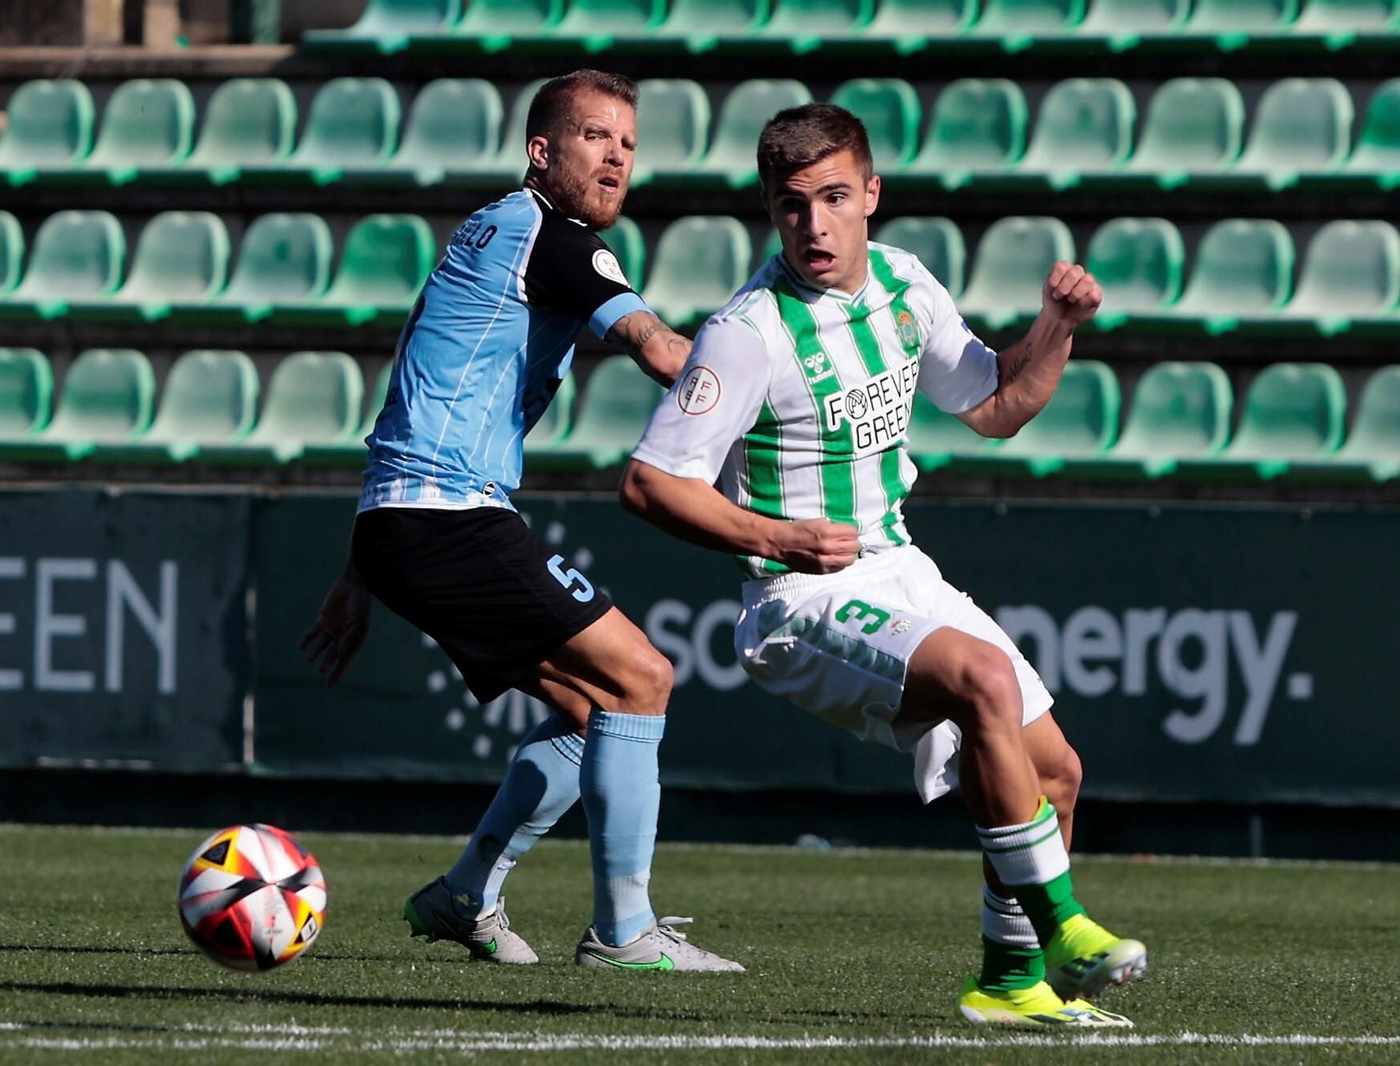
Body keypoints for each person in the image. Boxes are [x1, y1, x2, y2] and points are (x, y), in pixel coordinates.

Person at [619, 103, 1148, 1022]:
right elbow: (652, 484)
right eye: (792, 205)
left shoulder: (904, 283)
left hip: (898, 569)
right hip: (797, 600)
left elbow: (995, 404)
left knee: (1055, 769)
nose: (814, 225)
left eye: (832, 197)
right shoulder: (748, 333)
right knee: (982, 679)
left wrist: (1056, 325)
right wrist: (773, 536)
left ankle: (1010, 983)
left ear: (870, 194)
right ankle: (1062, 924)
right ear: (770, 210)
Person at [298, 70, 743, 972]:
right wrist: (776, 389)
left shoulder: (494, 236)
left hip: (409, 519)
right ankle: (623, 932)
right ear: (543, 152)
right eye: (594, 137)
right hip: (447, 515)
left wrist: (360, 567)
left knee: (595, 713)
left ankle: (467, 893)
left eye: (627, 142)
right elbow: (659, 350)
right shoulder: (550, 235)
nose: (616, 155)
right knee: (643, 678)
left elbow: (405, 393)